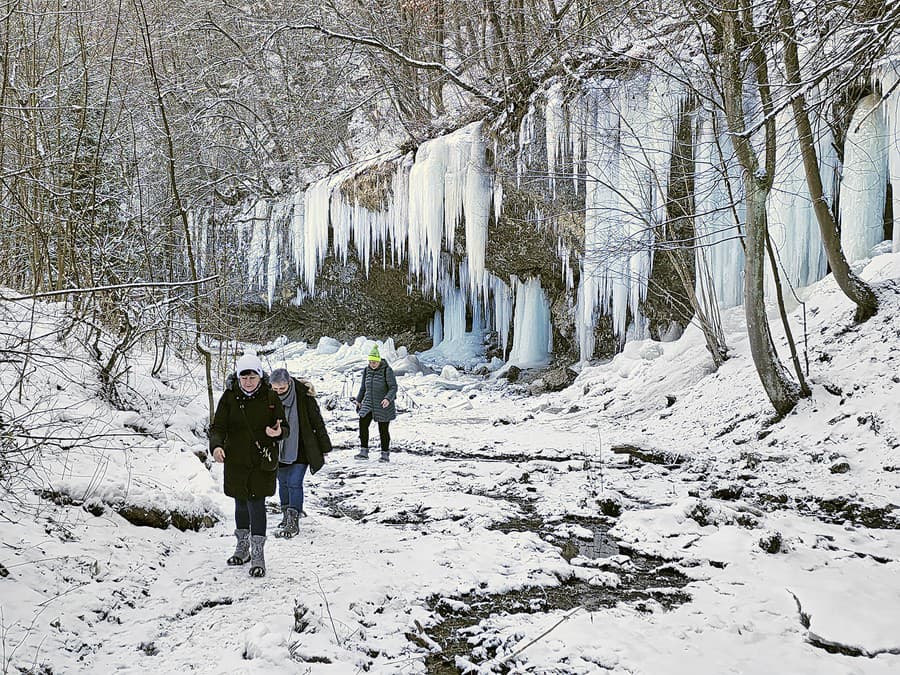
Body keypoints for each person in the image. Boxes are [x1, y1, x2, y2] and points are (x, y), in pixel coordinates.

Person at [210, 353, 287, 578]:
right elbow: (217, 427)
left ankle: (258, 553)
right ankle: (242, 547)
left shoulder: (271, 398)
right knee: (240, 504)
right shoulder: (229, 397)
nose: (248, 381)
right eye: (244, 377)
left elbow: (286, 427)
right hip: (235, 461)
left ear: (260, 376)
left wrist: (279, 432)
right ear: (238, 377)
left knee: (257, 504)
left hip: (262, 461)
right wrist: (216, 446)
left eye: (252, 377)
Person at [268, 368, 332, 538]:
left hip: (301, 446)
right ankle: (285, 515)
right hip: (278, 446)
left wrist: (324, 447)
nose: (278, 392)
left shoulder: (303, 397)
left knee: (294, 482)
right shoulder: (267, 397)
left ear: (289, 383)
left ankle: (293, 520)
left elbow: (317, 422)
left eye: (282, 389)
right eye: (275, 389)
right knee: (282, 482)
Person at [354, 344, 397, 461]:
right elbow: (363, 387)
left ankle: (384, 454)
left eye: (374, 362)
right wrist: (358, 400)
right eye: (370, 362)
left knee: (383, 429)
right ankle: (363, 451)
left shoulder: (387, 370)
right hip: (368, 402)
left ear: (379, 361)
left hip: (383, 403)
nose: (372, 364)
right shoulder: (366, 370)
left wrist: (388, 399)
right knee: (363, 424)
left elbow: (393, 387)